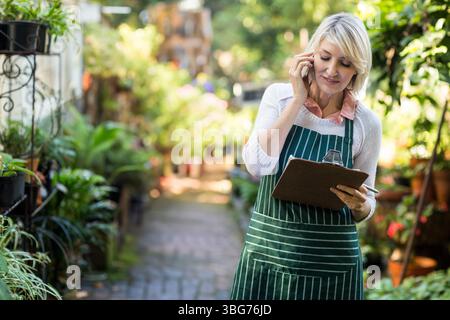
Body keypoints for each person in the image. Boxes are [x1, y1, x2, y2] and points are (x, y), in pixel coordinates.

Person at [230, 12, 382, 300]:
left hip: (332, 269)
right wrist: (297, 100)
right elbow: (257, 164)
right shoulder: (279, 97)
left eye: (345, 63)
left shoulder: (366, 123)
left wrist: (362, 207)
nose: (332, 70)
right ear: (311, 55)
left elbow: (368, 201)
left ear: (357, 70)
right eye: (325, 57)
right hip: (268, 258)